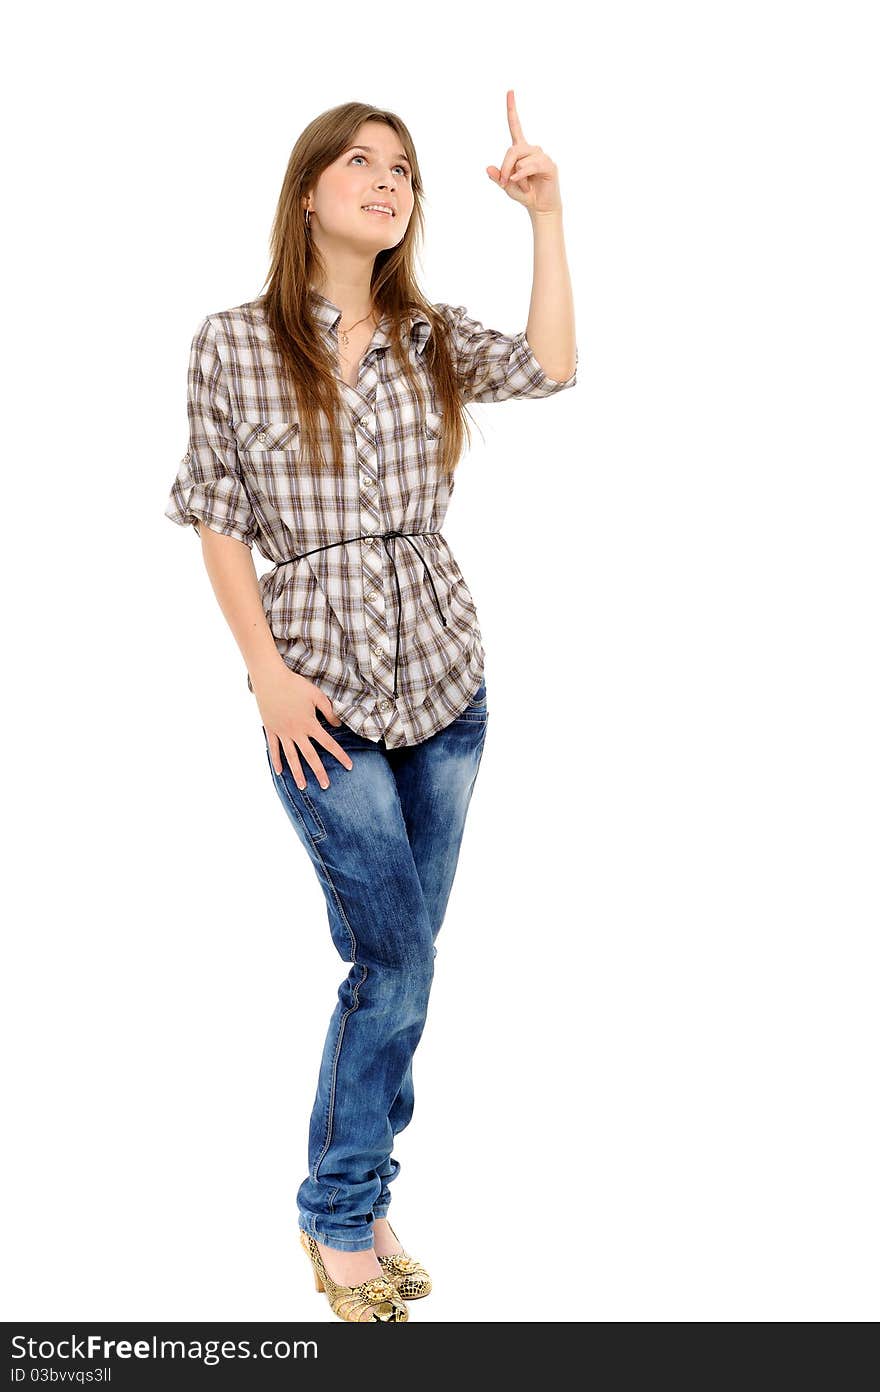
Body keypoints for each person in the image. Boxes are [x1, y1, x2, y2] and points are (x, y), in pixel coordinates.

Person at [164, 93, 577, 1322]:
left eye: (402, 169)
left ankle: (364, 1184)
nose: (386, 180)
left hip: (445, 681)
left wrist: (547, 217)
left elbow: (554, 366)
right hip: (317, 698)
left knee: (405, 963)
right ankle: (338, 1209)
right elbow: (216, 516)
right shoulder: (235, 341)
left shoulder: (430, 336)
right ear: (309, 193)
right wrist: (267, 674)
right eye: (360, 162)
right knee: (388, 960)